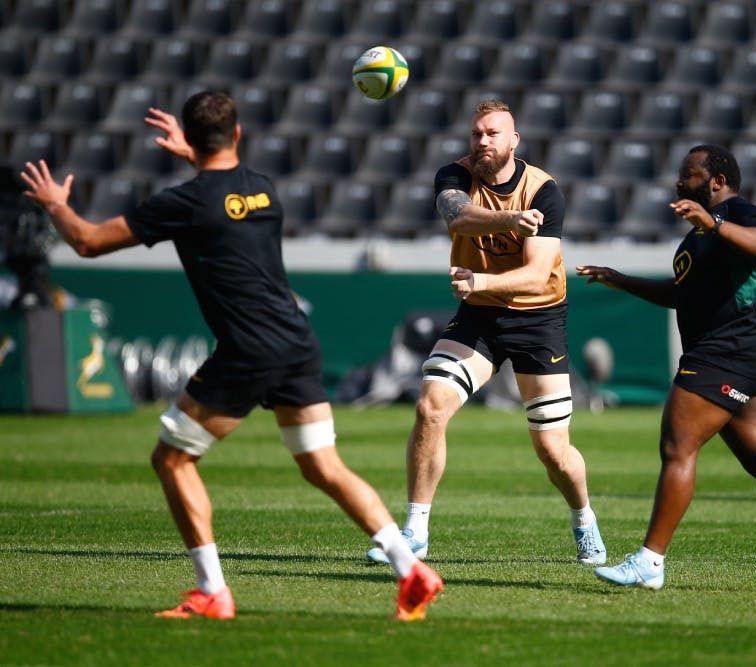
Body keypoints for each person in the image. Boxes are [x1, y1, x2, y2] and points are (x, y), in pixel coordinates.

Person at [19, 91, 443, 621]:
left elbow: (86, 243)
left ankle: (212, 592)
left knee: (171, 459)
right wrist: (198, 157)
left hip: (248, 349)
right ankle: (411, 570)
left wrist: (55, 203)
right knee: (323, 466)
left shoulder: (183, 203)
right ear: (238, 135)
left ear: (193, 141)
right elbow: (226, 197)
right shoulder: (266, 192)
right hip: (297, 340)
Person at [577, 144, 756, 593]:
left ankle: (650, 561)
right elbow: (681, 295)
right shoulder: (698, 234)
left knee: (678, 446)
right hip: (736, 353)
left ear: (716, 181)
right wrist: (619, 279)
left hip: (726, 352)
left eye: (688, 174)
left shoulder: (743, 213)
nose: (679, 182)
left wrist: (712, 222)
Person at [365, 100, 606, 567]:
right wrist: (508, 223)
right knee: (430, 405)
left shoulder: (544, 191)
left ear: (514, 141)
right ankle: (416, 529)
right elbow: (458, 217)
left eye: (493, 133)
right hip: (479, 315)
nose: (483, 141)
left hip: (538, 318)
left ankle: (583, 518)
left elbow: (537, 276)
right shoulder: (453, 176)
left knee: (553, 451)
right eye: (477, 134)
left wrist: (483, 280)